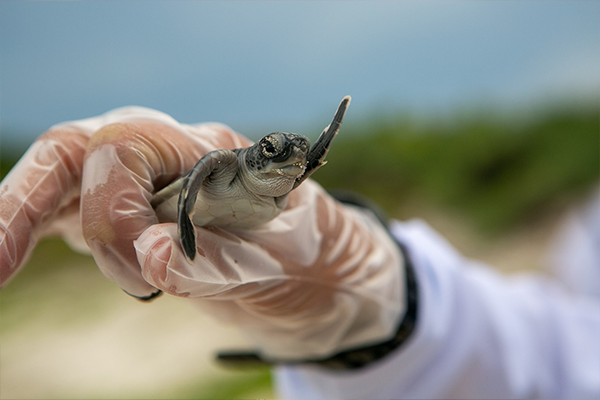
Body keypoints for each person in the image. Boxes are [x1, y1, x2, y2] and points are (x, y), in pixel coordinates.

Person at [0, 107, 598, 399]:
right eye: (274, 148)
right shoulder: (584, 240)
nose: (288, 154)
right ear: (257, 153)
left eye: (298, 154)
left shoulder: (294, 174)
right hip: (191, 207)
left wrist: (363, 289)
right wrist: (401, 312)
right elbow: (556, 352)